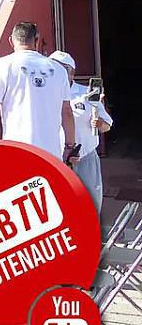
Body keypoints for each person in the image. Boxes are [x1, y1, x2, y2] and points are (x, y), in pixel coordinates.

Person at [0, 21, 76, 163]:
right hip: (51, 153)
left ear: (11, 41)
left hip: (17, 150)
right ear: (37, 41)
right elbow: (67, 111)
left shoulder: (3, 65)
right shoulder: (59, 69)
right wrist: (70, 146)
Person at [49, 51, 112, 213]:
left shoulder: (87, 93)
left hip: (85, 158)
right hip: (56, 158)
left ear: (71, 73)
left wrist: (99, 123)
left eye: (60, 69)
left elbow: (107, 125)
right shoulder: (43, 94)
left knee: (91, 203)